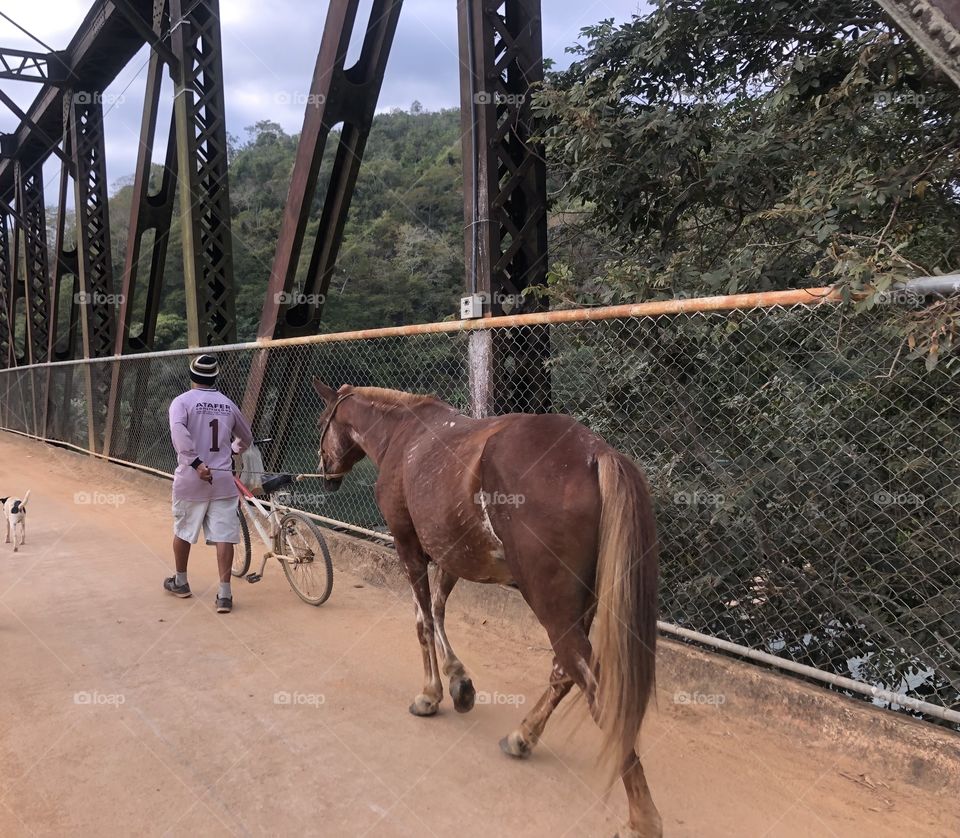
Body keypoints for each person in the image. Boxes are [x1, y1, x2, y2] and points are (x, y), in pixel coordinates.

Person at [164, 354, 253, 613]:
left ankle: (180, 582)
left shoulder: (181, 402)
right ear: (215, 377)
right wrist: (232, 450)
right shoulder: (228, 404)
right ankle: (224, 595)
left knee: (183, 530)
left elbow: (179, 432)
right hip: (223, 479)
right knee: (224, 535)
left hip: (192, 479)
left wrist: (195, 463)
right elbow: (246, 437)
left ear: (192, 377)